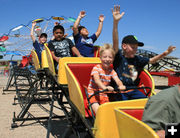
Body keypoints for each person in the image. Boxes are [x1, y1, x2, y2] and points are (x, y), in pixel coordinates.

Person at [112, 5, 176, 100]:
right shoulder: (119, 57)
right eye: (133, 47)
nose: (135, 50)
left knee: (148, 102)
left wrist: (165, 53)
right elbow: (115, 41)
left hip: (133, 90)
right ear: (124, 46)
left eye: (136, 48)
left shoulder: (137, 59)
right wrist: (115, 23)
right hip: (120, 91)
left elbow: (152, 60)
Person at [87, 44, 126, 114]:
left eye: (110, 57)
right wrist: (105, 87)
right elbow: (97, 80)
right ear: (100, 58)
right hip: (93, 94)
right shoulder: (96, 68)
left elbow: (117, 80)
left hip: (104, 95)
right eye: (105, 57)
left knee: (109, 112)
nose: (107, 59)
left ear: (113, 59)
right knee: (100, 112)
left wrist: (121, 85)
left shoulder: (112, 71)